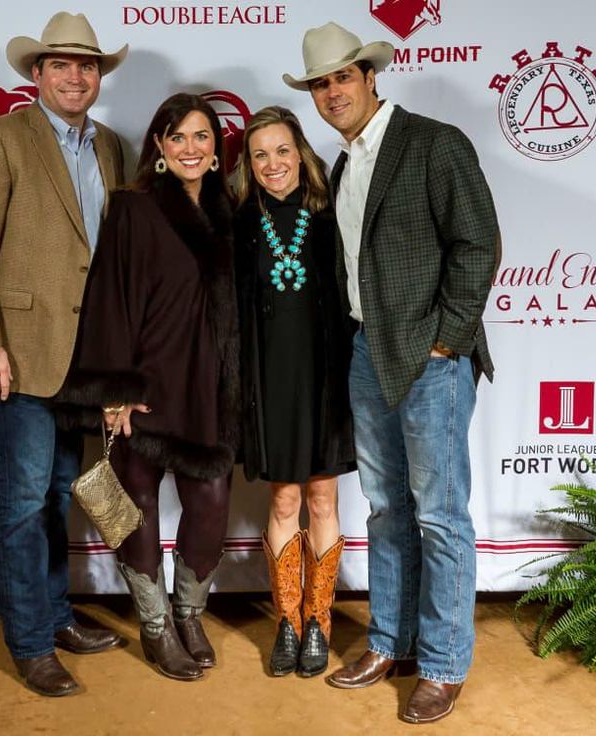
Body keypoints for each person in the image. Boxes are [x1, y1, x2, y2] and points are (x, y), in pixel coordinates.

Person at [284, 22, 500, 723]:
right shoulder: (344, 163)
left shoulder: (434, 144)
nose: (332, 91)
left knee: (439, 516)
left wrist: (449, 340)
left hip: (430, 361)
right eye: (320, 82)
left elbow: (478, 242)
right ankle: (389, 642)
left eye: (342, 77)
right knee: (385, 510)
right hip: (365, 354)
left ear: (371, 77)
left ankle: (441, 664)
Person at [0, 12, 128, 697]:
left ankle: (54, 615)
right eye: (60, 65)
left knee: (56, 494)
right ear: (36, 75)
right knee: (21, 502)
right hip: (17, 356)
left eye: (87, 66)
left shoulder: (111, 147)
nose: (75, 76)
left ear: (98, 76)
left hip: (84, 359)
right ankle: (28, 642)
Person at [54, 93, 240, 682]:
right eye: (178, 136)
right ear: (159, 145)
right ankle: (156, 625)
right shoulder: (133, 208)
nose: (191, 147)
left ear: (217, 150)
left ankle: (189, 612)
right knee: (136, 506)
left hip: (207, 384)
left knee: (210, 504)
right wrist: (113, 389)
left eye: (202, 137)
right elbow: (110, 297)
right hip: (146, 385)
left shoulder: (229, 210)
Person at [233, 106, 355, 678]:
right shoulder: (239, 223)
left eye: (282, 151)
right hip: (269, 382)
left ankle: (319, 623)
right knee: (284, 501)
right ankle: (287, 621)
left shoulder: (331, 214)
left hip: (326, 379)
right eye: (260, 154)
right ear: (248, 165)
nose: (272, 164)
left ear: (300, 153)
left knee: (323, 501)